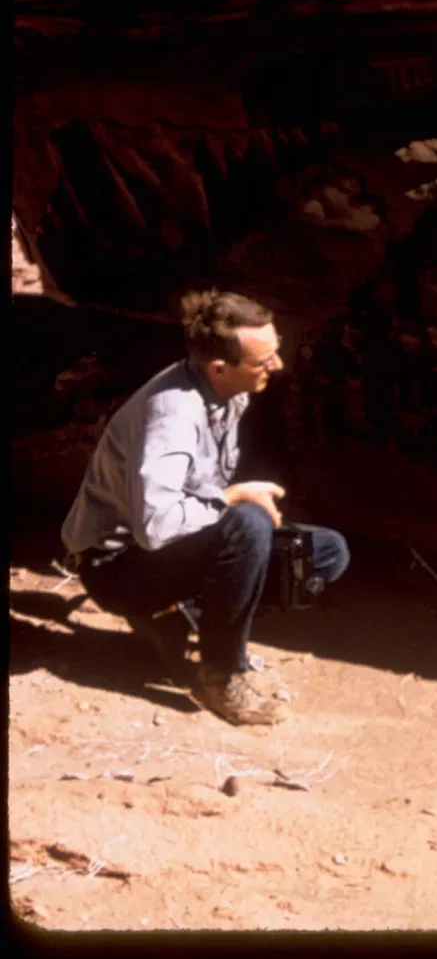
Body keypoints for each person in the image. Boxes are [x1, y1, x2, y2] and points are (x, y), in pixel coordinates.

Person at [61, 289, 350, 726]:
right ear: (219, 367)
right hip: (118, 565)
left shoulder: (228, 387)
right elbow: (156, 527)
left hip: (166, 551)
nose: (277, 365)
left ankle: (181, 619)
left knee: (323, 553)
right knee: (247, 524)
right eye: (264, 360)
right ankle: (222, 675)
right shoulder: (173, 416)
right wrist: (232, 499)